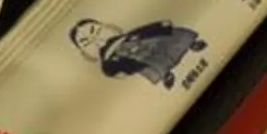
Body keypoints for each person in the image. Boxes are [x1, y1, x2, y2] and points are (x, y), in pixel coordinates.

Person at [68, 16, 207, 87]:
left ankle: (190, 43)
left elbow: (145, 32)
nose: (96, 39)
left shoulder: (128, 36)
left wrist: (162, 27)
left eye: (96, 31)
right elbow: (116, 70)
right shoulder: (109, 62)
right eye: (86, 43)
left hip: (149, 43)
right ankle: (165, 75)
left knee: (170, 37)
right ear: (85, 53)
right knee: (148, 65)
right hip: (138, 59)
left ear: (108, 26)